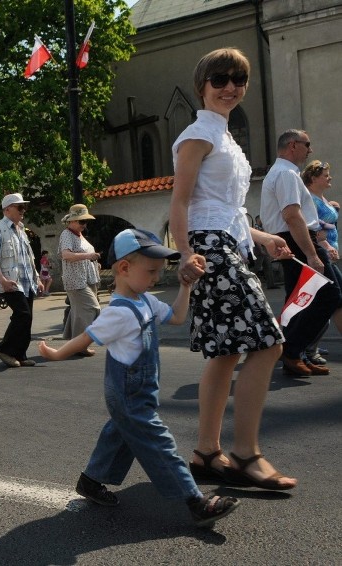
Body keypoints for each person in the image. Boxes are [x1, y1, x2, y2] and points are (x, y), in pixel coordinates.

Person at [38, 229, 240, 528]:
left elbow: (176, 317)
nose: (156, 278)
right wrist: (56, 354)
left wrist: (185, 287)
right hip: (129, 394)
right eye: (151, 271)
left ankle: (90, 481)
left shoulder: (144, 301)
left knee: (119, 434)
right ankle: (196, 502)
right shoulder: (118, 313)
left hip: (139, 392)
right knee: (159, 443)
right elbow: (85, 338)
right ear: (124, 268)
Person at [170, 48, 297, 490]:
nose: (230, 88)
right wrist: (185, 253)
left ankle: (206, 451)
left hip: (228, 244)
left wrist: (264, 238)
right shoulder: (199, 134)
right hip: (210, 249)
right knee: (268, 343)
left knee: (226, 351)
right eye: (220, 79)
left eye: (238, 80)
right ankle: (245, 453)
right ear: (202, 85)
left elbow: (226, 208)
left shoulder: (225, 137)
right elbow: (181, 202)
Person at [260, 131, 342, 377]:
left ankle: (293, 351)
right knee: (327, 295)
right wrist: (312, 255)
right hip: (297, 241)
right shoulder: (285, 174)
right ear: (293, 145)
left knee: (303, 299)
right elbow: (292, 216)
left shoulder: (284, 173)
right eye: (308, 145)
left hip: (293, 240)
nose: (310, 150)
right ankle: (292, 351)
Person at [0, 193, 43, 368]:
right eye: (20, 207)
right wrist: (2, 280)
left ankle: (20, 354)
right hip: (11, 282)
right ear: (7, 209)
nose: (23, 210)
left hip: (27, 282)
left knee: (28, 317)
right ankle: (5, 349)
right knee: (22, 314)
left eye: (24, 207)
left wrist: (38, 278)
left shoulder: (22, 230)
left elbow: (29, 258)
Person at [302, 160, 338, 366]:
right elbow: (315, 229)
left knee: (327, 299)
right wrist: (325, 245)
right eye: (325, 175)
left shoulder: (321, 199)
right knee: (325, 300)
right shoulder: (311, 201)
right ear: (314, 178)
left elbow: (328, 224)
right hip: (321, 254)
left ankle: (310, 343)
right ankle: (306, 346)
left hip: (329, 253)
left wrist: (334, 208)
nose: (329, 177)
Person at [59, 204, 100, 355]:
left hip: (87, 278)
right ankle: (79, 344)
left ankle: (75, 345)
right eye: (81, 221)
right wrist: (89, 256)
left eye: (85, 221)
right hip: (76, 280)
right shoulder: (67, 234)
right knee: (92, 308)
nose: (84, 224)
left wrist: (95, 262)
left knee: (78, 312)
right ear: (72, 221)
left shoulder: (79, 235)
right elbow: (67, 255)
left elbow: (83, 255)